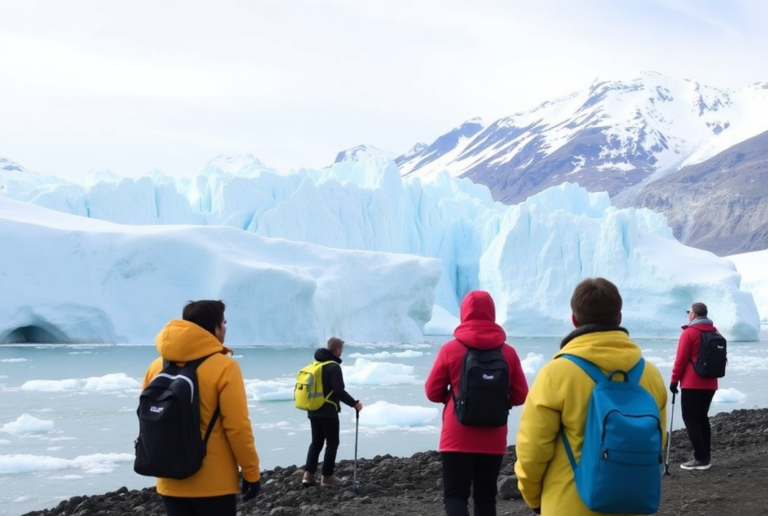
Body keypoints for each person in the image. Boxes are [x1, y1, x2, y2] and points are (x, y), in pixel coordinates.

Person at [514, 277, 667, 516]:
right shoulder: (650, 375)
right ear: (619, 317)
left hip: (567, 506)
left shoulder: (555, 375)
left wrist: (533, 497)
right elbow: (658, 442)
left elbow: (532, 451)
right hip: (633, 505)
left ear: (574, 319)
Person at [142, 300, 261, 516]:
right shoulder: (225, 367)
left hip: (169, 478)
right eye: (223, 322)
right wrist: (252, 473)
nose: (225, 328)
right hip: (213, 483)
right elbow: (237, 427)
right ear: (215, 328)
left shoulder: (156, 366)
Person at [425, 290, 529, 516]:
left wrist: (455, 400)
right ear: (492, 313)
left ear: (464, 314)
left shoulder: (450, 350)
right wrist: (495, 403)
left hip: (456, 435)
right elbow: (521, 394)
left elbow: (432, 391)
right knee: (485, 497)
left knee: (455, 496)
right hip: (493, 435)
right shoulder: (508, 352)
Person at [302, 336, 363, 488]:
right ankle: (327, 477)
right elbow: (338, 390)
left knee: (316, 442)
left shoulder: (315, 365)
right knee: (332, 443)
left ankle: (308, 475)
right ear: (336, 349)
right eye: (341, 349)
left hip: (313, 410)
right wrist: (354, 404)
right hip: (328, 411)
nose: (341, 352)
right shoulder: (333, 367)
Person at [670, 301, 719, 471]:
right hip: (711, 382)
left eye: (689, 311)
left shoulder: (689, 333)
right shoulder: (715, 331)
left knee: (690, 418)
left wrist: (674, 380)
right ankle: (706, 456)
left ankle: (700, 458)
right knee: (702, 417)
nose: (688, 314)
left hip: (692, 382)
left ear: (694, 315)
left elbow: (681, 359)